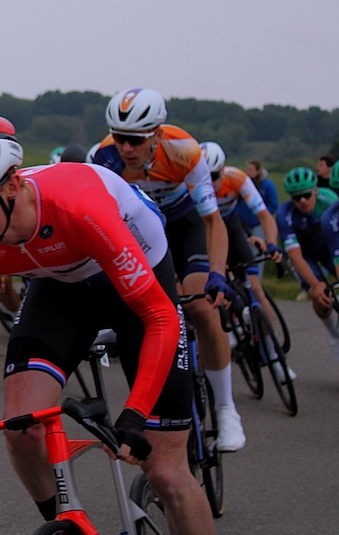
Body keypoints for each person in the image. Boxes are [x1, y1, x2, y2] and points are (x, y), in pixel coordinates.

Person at [0, 115, 211, 533]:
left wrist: (135, 414)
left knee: (165, 473)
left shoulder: (78, 207)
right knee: (21, 430)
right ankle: (65, 523)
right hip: (60, 286)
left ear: (12, 186)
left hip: (136, 283)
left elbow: (160, 316)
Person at [91, 88, 245, 452]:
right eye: (120, 138)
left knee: (201, 307)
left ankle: (226, 410)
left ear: (157, 134)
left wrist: (217, 273)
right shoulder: (104, 157)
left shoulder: (185, 151)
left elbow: (212, 221)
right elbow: (102, 223)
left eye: (136, 140)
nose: (126, 148)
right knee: (143, 313)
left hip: (184, 224)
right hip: (141, 229)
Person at [200, 142, 289, 365]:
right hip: (205, 232)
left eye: (214, 176)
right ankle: (232, 328)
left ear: (223, 170)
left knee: (256, 289)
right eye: (204, 177)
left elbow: (264, 215)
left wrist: (271, 244)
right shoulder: (191, 186)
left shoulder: (237, 178)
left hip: (232, 226)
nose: (210, 183)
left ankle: (273, 353)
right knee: (213, 284)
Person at [276, 166, 339, 366]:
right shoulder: (284, 215)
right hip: (304, 255)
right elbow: (295, 257)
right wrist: (316, 284)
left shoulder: (329, 200)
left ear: (316, 190)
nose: (302, 201)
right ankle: (333, 332)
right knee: (319, 295)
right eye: (296, 197)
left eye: (306, 195)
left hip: (328, 247)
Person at [239, 159, 279, 243]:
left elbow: (273, 204)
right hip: (243, 224)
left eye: (251, 170)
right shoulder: (243, 184)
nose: (248, 172)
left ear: (257, 171)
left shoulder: (267, 185)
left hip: (259, 224)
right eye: (247, 170)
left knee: (257, 245)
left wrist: (263, 217)